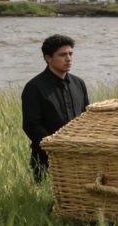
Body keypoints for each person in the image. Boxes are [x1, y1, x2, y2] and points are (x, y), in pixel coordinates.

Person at [22, 34, 89, 183]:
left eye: (71, 54)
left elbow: (86, 118)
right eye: (62, 55)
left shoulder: (79, 84)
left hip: (79, 156)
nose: (69, 58)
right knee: (46, 203)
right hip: (47, 158)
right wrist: (55, 146)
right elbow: (31, 125)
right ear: (48, 58)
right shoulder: (34, 87)